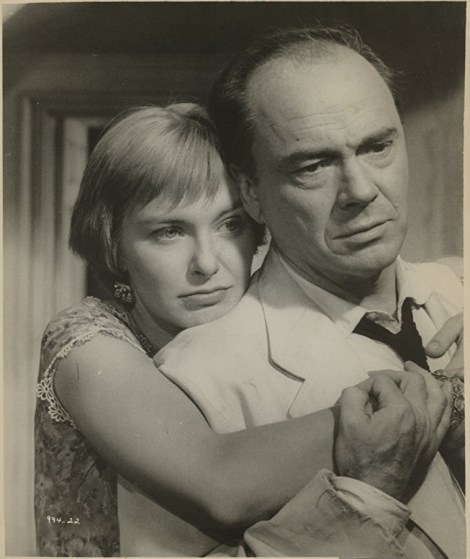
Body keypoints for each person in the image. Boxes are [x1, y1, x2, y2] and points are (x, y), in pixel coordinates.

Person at [34, 103, 453, 558]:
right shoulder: (84, 342)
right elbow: (220, 482)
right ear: (114, 244)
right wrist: (442, 394)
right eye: (170, 232)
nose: (207, 264)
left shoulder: (263, 329)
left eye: (230, 224)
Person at [157, 26, 465, 558]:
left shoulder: (459, 288)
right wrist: (363, 499)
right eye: (313, 165)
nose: (361, 190)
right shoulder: (197, 383)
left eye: (378, 146)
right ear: (251, 192)